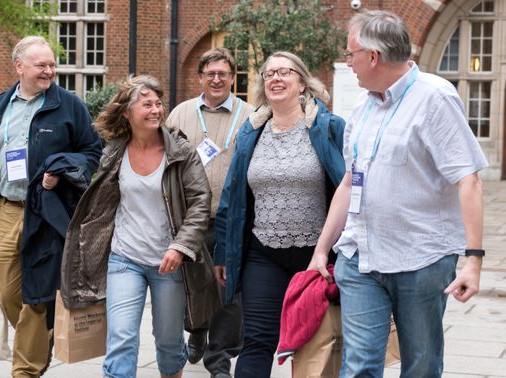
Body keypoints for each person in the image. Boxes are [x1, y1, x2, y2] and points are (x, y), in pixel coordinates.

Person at [308, 10, 488, 378]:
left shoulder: (435, 98)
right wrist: (322, 249)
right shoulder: (361, 106)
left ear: (373, 57)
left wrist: (473, 260)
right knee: (358, 366)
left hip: (420, 259)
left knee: (420, 366)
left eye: (350, 54)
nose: (347, 62)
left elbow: (467, 179)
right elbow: (348, 182)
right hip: (360, 257)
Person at [0, 36, 102, 377]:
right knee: (8, 289)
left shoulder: (69, 105)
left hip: (47, 211)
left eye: (52, 65)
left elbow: (91, 153)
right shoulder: (1, 106)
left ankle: (26, 369)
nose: (49, 71)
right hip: (7, 209)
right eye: (41, 65)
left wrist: (60, 169)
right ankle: (41, 338)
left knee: (36, 291)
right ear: (19, 67)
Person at [60, 75, 220, 378]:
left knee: (169, 345)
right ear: (127, 113)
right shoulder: (115, 152)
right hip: (124, 258)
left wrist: (180, 246)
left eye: (158, 103)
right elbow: (101, 202)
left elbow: (200, 200)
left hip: (168, 263)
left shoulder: (181, 151)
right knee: (121, 339)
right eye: (146, 104)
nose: (155, 110)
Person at [214, 51, 346, 377]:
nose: (275, 78)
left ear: (302, 82)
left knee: (314, 345)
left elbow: (349, 188)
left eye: (284, 72)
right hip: (263, 254)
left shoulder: (328, 127)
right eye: (269, 73)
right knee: (257, 340)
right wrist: (223, 252)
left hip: (317, 257)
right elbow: (232, 195)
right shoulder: (251, 131)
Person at [165, 47, 254, 378]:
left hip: (233, 220)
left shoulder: (251, 116)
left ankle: (219, 360)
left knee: (228, 291)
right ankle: (197, 330)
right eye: (210, 74)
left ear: (233, 78)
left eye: (223, 74)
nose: (216, 79)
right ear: (200, 77)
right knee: (193, 286)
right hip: (190, 220)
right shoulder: (181, 114)